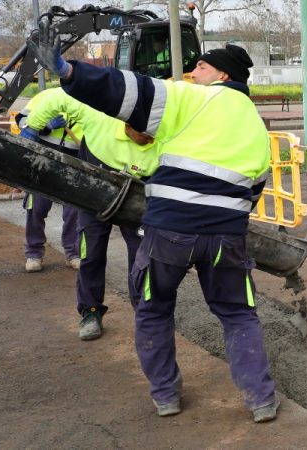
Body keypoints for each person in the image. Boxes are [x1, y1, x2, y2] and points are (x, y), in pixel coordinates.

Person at [40, 43, 277, 422]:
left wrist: (71, 73)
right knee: (238, 314)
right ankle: (261, 400)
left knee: (153, 310)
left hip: (171, 231)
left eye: (200, 66)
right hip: (227, 236)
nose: (192, 73)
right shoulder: (256, 125)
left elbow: (126, 89)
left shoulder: (193, 99)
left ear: (222, 76)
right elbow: (254, 189)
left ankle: (166, 396)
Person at [21, 87, 156, 341]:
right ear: (127, 124)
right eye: (143, 134)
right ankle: (90, 311)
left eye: (152, 135)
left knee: (142, 258)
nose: (148, 139)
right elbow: (58, 97)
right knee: (91, 253)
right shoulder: (99, 117)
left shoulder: (162, 141)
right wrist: (33, 127)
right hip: (94, 193)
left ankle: (145, 314)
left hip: (135, 195)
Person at [15, 89, 82, 272]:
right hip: (43, 160)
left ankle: (73, 253)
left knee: (73, 212)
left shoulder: (88, 101)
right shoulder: (46, 96)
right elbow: (21, 120)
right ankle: (34, 254)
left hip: (74, 162)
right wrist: (46, 126)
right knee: (36, 208)